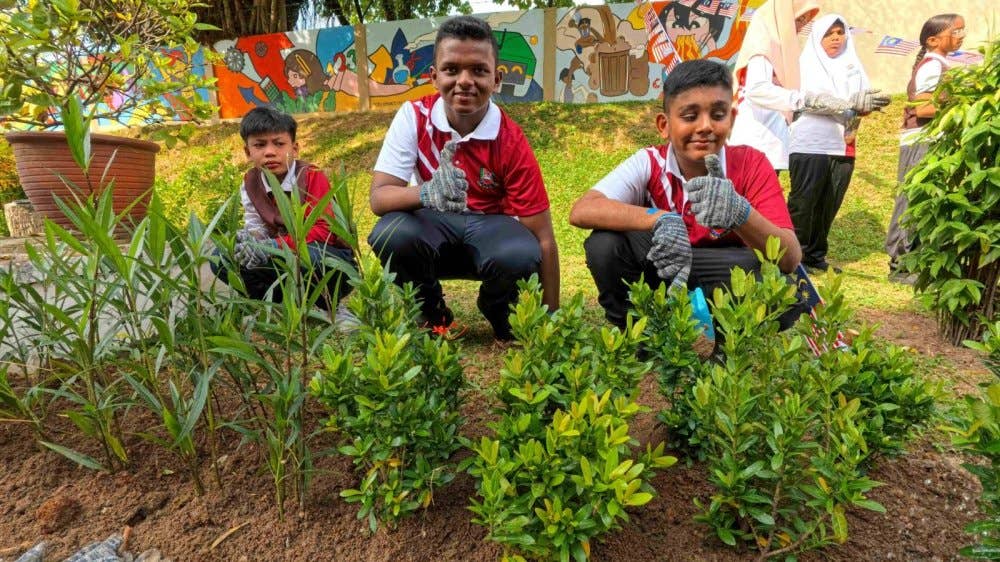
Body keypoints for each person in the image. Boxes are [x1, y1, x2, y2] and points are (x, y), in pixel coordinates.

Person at [569, 59, 803, 329]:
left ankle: (724, 341)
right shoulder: (649, 162)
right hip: (664, 267)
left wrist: (741, 213)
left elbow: (790, 257)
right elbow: (583, 210)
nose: (705, 126)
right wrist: (661, 219)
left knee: (786, 291)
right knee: (604, 245)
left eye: (718, 114)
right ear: (664, 125)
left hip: (724, 273)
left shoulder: (752, 164)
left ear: (732, 119)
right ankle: (641, 335)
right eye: (690, 116)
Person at [367, 15, 560, 341]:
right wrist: (426, 193)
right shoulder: (414, 117)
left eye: (479, 70)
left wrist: (553, 317)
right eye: (452, 69)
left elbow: (543, 238)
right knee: (391, 233)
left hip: (491, 236)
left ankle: (500, 310)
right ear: (434, 76)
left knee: (522, 253)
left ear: (497, 79)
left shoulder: (510, 139)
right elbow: (379, 198)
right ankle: (432, 315)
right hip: (433, 229)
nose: (465, 80)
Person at [211, 106, 358, 326]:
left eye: (279, 144)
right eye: (259, 145)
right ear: (247, 152)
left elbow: (323, 231)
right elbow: (255, 225)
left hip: (329, 258)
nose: (270, 152)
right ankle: (277, 306)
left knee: (313, 257)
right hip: (280, 255)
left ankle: (329, 306)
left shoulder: (311, 176)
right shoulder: (251, 182)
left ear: (295, 148)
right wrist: (250, 243)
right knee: (222, 256)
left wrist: (272, 247)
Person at [728, 0, 889, 171]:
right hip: (756, 143)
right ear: (780, 18)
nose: (799, 27)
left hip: (772, 146)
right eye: (797, 20)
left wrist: (857, 106)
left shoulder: (780, 51)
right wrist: (807, 99)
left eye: (804, 22)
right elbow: (757, 90)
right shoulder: (763, 47)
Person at [788, 14, 883, 274]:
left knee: (829, 202)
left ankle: (815, 256)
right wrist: (844, 105)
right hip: (809, 144)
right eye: (829, 33)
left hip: (842, 146)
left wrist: (862, 110)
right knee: (803, 203)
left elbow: (863, 104)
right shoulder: (803, 65)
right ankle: (792, 256)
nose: (835, 38)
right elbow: (802, 101)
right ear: (818, 37)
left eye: (840, 33)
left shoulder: (853, 66)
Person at [885, 13, 965, 283]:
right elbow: (923, 106)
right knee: (912, 199)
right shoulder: (932, 65)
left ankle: (913, 260)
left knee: (921, 200)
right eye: (955, 31)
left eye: (962, 31)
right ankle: (901, 263)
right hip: (920, 139)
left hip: (930, 139)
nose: (961, 36)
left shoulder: (941, 63)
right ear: (933, 40)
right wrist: (959, 106)